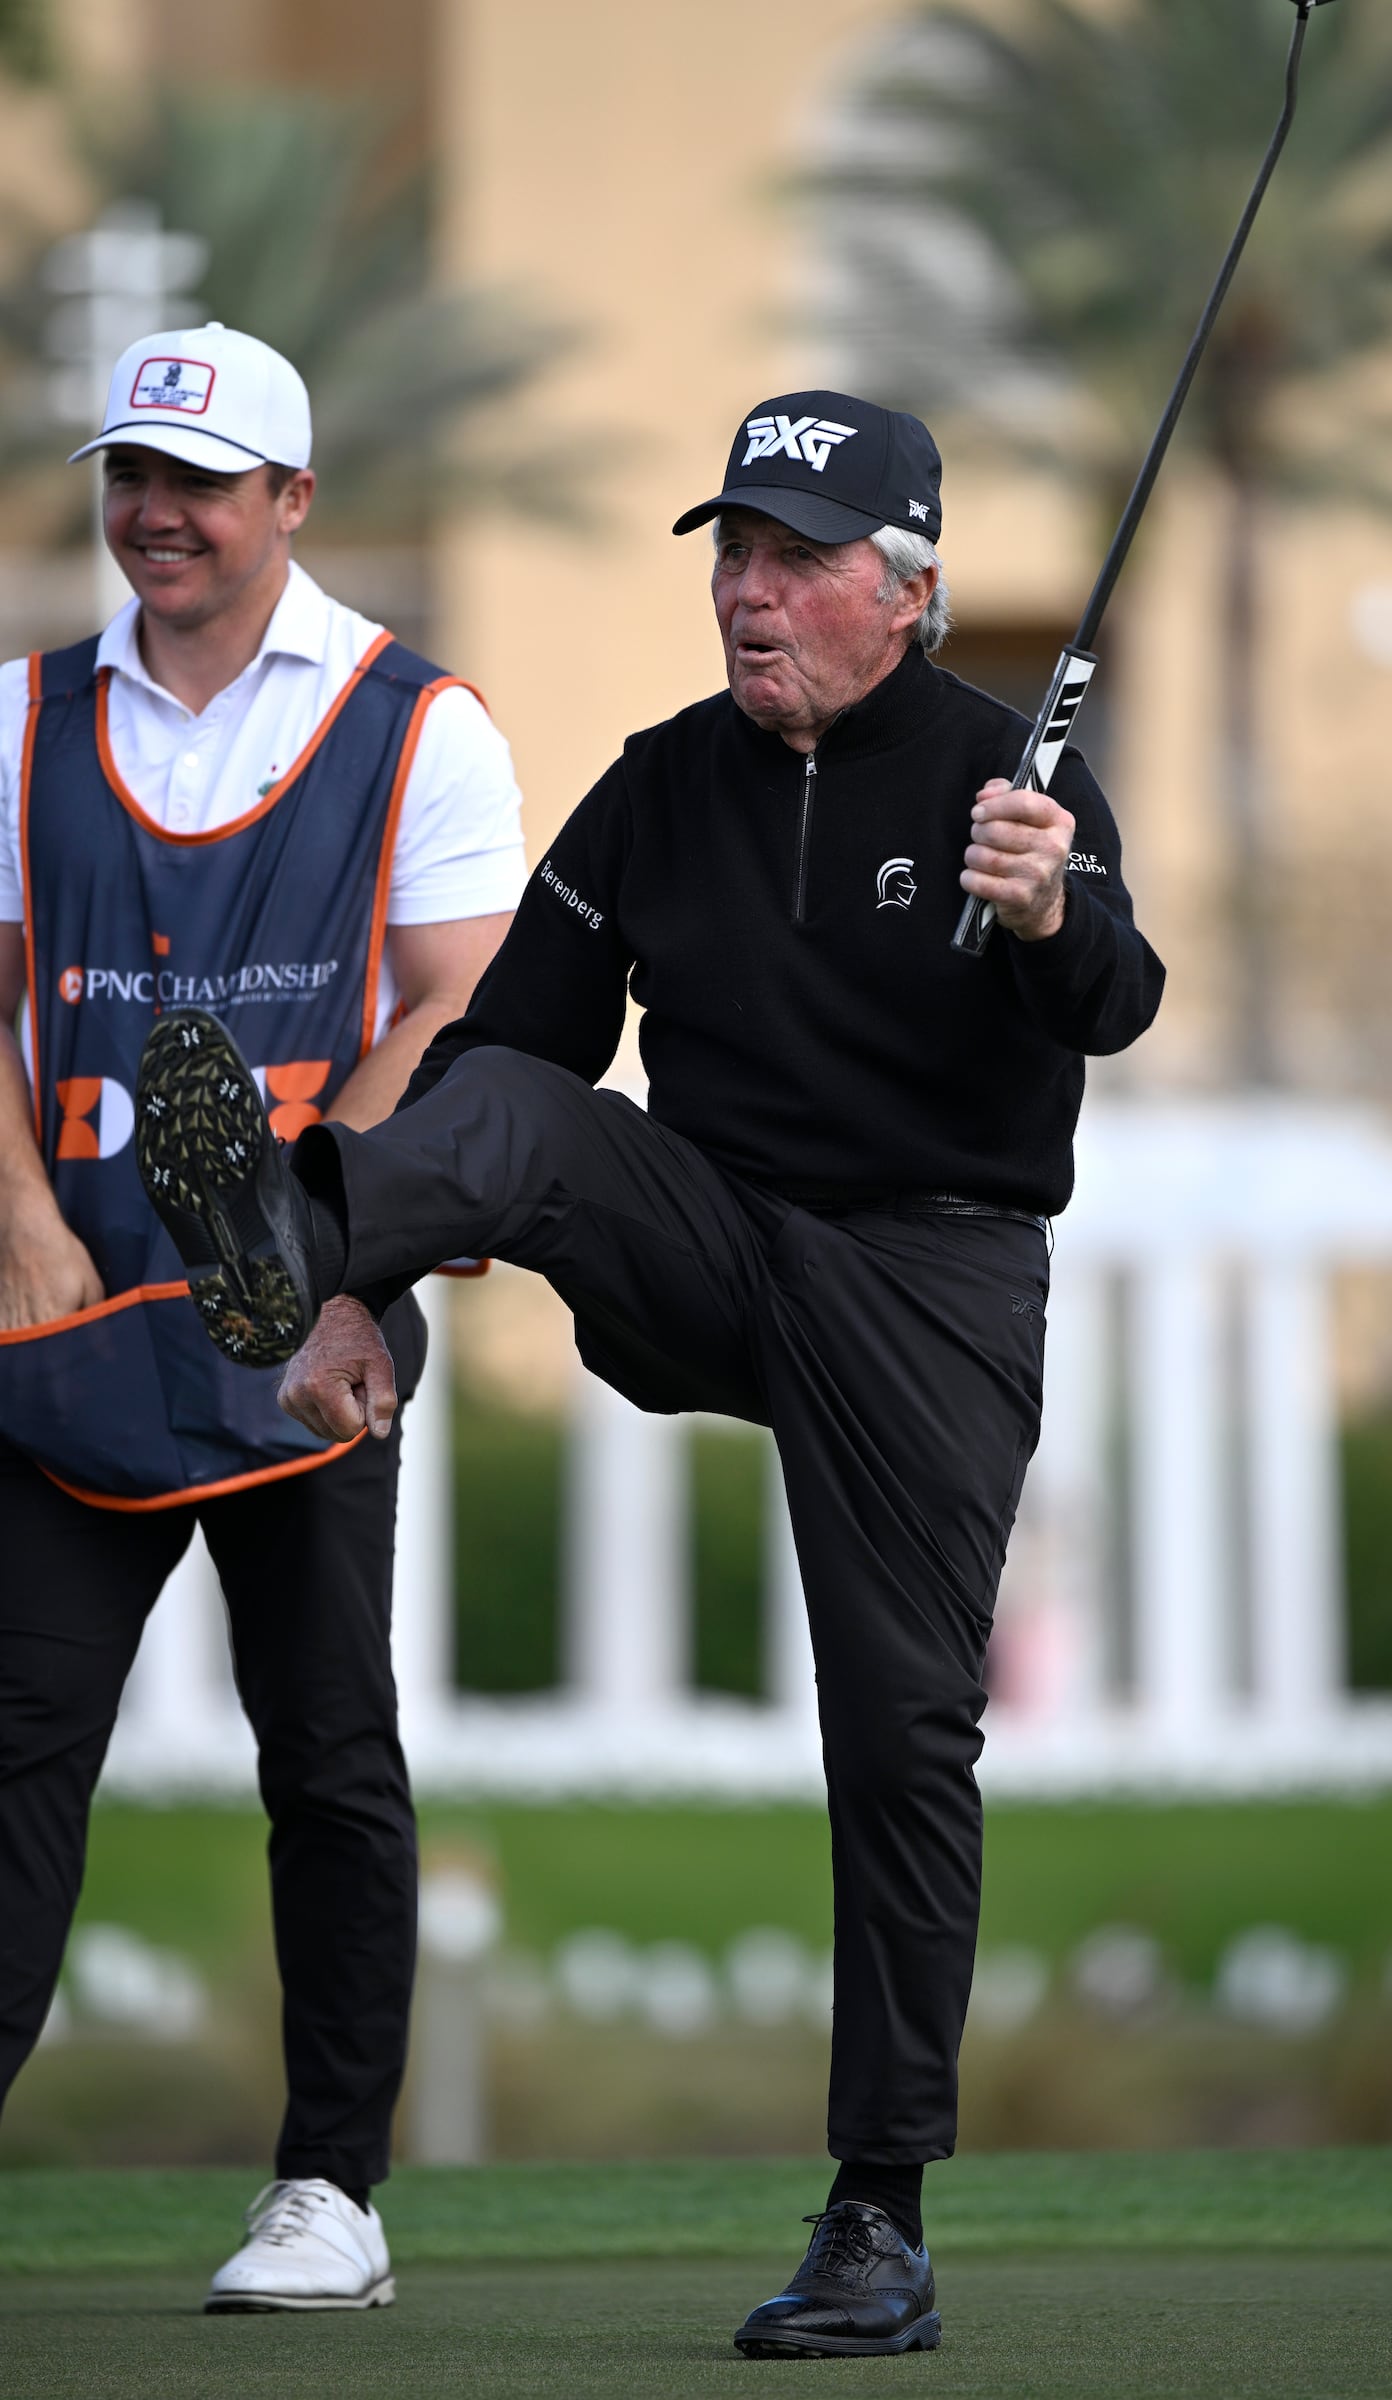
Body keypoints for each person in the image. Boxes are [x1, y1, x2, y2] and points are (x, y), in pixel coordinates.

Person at [136, 389, 1164, 2357]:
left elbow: (1107, 996)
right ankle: (287, 1244)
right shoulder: (660, 782)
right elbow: (496, 1048)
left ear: (907, 587)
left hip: (923, 1285)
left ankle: (877, 2222)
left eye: (794, 558)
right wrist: (365, 1297)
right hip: (703, 1233)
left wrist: (1044, 906)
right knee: (515, 1101)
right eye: (731, 552)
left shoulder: (1004, 775)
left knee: (896, 1736)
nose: (747, 592)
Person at [0, 323, 522, 2309]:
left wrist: (335, 1259)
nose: (154, 515)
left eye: (199, 486)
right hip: (61, 1330)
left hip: (306, 1326)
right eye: (130, 476)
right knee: (17, 1739)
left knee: (324, 1746)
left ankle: (331, 2199)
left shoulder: (420, 722)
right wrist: (22, 1229)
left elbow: (457, 1007)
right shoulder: (22, 715)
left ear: (289, 502)